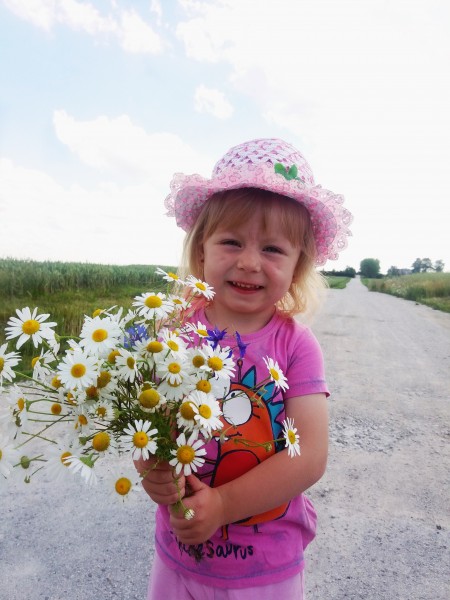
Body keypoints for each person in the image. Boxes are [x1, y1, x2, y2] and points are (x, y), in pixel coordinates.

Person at [136, 138, 353, 599]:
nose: (249, 262)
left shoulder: (297, 346)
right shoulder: (172, 330)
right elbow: (143, 423)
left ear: (298, 267)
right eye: (231, 241)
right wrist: (149, 466)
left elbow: (309, 455)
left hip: (265, 570)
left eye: (273, 249)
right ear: (200, 253)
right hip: (177, 558)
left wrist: (225, 504)